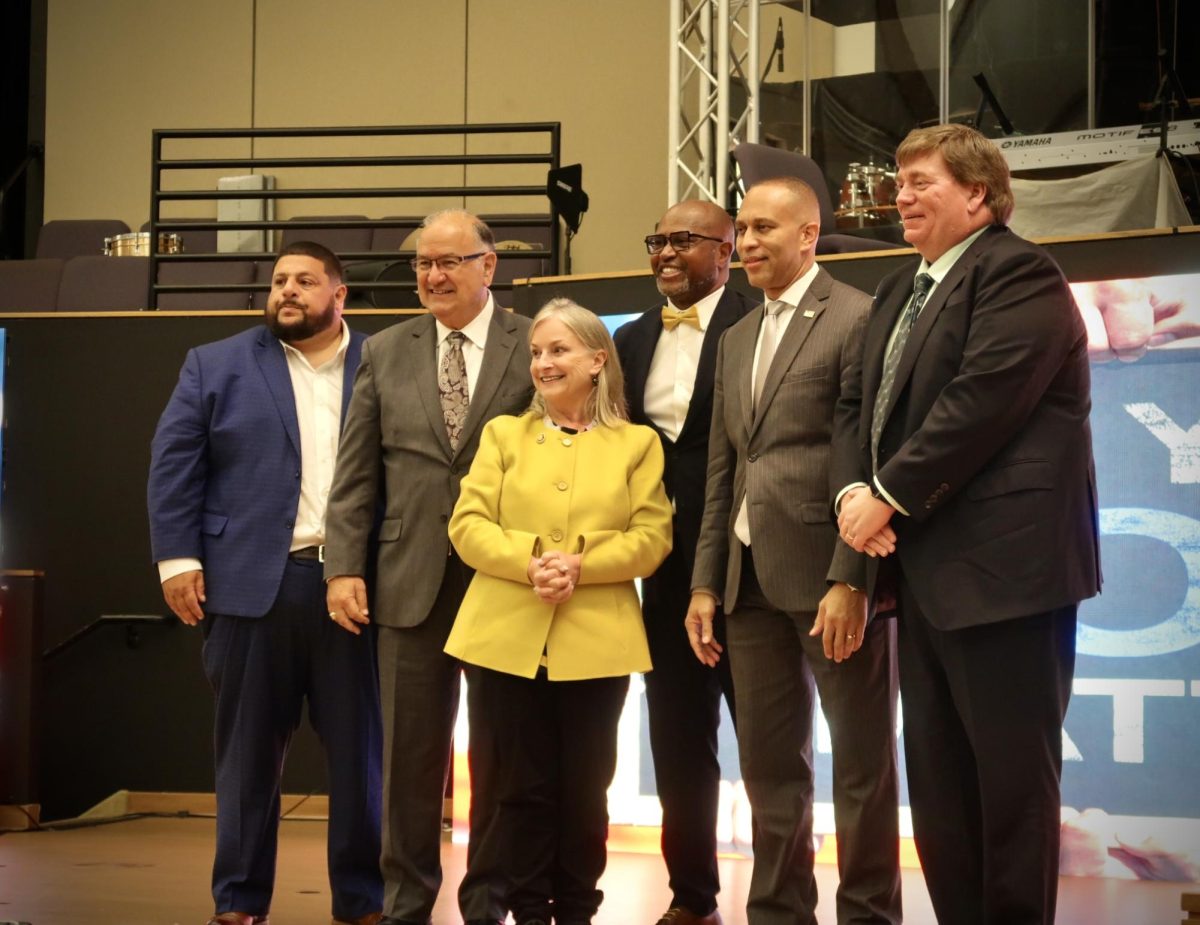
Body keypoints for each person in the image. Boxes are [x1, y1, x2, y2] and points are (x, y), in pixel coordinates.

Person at [835, 123, 1102, 924]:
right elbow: (855, 405)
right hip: (920, 578)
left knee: (1012, 794)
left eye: (921, 182)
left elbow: (980, 402)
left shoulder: (1020, 272)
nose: (902, 196)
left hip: (1007, 580)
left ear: (978, 193)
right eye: (900, 180)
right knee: (942, 794)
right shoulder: (895, 290)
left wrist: (885, 491)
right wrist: (854, 490)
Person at [147, 241, 383, 925]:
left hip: (355, 590)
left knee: (363, 759)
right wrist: (177, 560)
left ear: (339, 294)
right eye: (280, 280)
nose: (287, 290)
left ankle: (363, 902)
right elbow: (173, 468)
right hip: (251, 586)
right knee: (247, 758)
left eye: (306, 280)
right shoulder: (214, 363)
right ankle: (239, 901)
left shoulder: (384, 360)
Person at [687, 177, 902, 925]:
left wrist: (854, 578)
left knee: (863, 767)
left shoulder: (857, 315)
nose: (745, 243)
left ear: (809, 234)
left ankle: (869, 914)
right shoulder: (736, 336)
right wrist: (705, 584)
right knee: (772, 771)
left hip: (831, 581)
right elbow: (725, 472)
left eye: (762, 229)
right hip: (746, 586)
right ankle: (779, 911)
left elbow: (873, 458)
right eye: (741, 230)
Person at [323, 210, 532, 925]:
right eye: (423, 265)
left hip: (502, 582)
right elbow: (356, 476)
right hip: (405, 583)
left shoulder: (534, 340)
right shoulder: (384, 350)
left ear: (489, 265)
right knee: (407, 764)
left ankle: (487, 902)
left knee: (501, 759)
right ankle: (406, 902)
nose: (434, 276)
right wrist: (342, 566)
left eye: (449, 261)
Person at [444, 298, 673, 925]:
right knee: (508, 788)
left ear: (599, 360)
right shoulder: (502, 434)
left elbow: (651, 539)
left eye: (559, 350)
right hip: (501, 639)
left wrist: (581, 564)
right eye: (537, 353)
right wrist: (532, 560)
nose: (543, 363)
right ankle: (515, 909)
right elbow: (467, 525)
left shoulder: (638, 444)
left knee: (583, 791)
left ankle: (575, 908)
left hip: (596, 643)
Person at [612, 199, 756, 925]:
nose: (666, 252)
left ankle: (779, 900)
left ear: (727, 250)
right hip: (663, 573)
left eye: (684, 241)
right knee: (676, 741)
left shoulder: (759, 324)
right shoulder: (632, 339)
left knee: (767, 749)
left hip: (748, 568)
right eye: (657, 240)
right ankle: (691, 896)